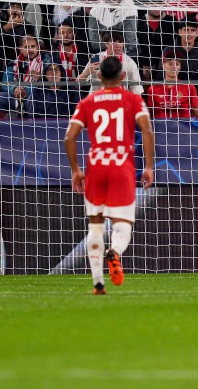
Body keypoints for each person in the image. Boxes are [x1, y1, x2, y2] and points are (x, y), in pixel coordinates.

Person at [64, 56, 155, 295]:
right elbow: (146, 129)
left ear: (99, 77)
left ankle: (97, 283)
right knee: (122, 223)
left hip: (96, 166)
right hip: (121, 165)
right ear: (123, 77)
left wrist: (75, 170)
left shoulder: (88, 101)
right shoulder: (133, 99)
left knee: (95, 227)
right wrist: (148, 166)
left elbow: (69, 137)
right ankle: (114, 252)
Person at [146, 48, 198, 118]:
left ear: (180, 67)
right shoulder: (153, 89)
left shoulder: (189, 87)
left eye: (177, 64)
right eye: (170, 64)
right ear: (163, 66)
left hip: (184, 127)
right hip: (161, 128)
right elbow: (149, 114)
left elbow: (197, 114)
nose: (174, 67)